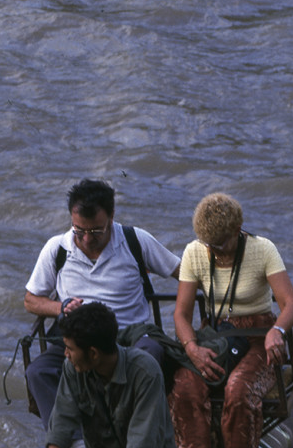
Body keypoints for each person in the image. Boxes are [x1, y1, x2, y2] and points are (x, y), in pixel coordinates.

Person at [168, 192, 293, 448]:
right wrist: (192, 349)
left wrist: (278, 332)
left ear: (239, 229)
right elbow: (182, 314)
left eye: (221, 244)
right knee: (184, 387)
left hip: (257, 335)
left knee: (239, 393)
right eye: (208, 245)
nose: (214, 251)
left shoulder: (263, 250)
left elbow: (289, 304)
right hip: (216, 335)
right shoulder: (195, 252)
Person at [23, 178, 181, 424]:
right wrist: (61, 308)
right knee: (38, 372)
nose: (87, 239)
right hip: (79, 341)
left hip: (128, 336)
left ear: (112, 216)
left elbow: (184, 274)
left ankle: (133, 429)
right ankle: (73, 440)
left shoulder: (134, 240)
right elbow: (31, 300)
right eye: (79, 230)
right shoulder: (57, 249)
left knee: (150, 353)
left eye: (96, 231)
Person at [22, 302, 187, 448]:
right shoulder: (73, 369)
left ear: (93, 353)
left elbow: (144, 435)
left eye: (69, 348)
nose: (66, 354)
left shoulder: (145, 371)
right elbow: (61, 419)